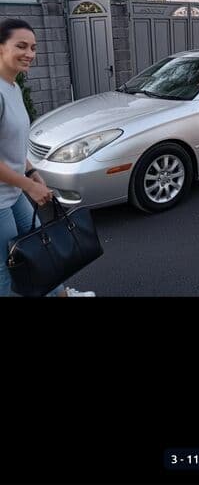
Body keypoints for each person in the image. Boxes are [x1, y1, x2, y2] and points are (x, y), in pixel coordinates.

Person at [0, 18, 95, 297]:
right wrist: (29, 186)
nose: (30, 53)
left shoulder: (13, 87)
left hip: (14, 190)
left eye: (33, 47)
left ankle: (62, 296)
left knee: (42, 249)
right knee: (8, 268)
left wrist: (30, 172)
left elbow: (9, 144)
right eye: (21, 46)